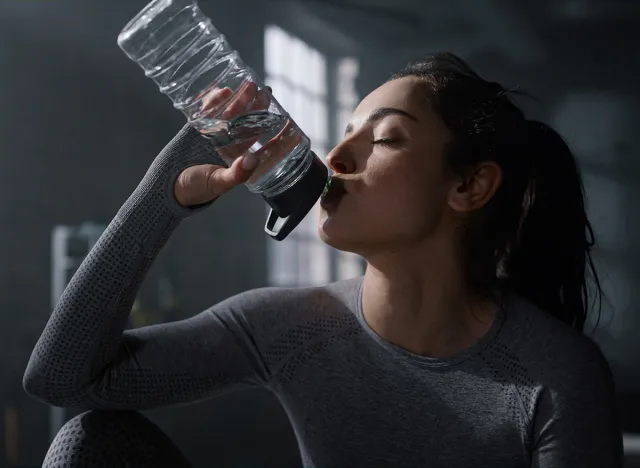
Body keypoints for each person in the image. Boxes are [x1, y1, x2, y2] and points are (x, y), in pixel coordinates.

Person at [24, 52, 623, 467]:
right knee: (92, 441)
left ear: (468, 187)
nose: (335, 156)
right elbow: (62, 379)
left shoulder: (557, 378)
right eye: (344, 132)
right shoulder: (290, 327)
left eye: (384, 138)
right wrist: (168, 195)